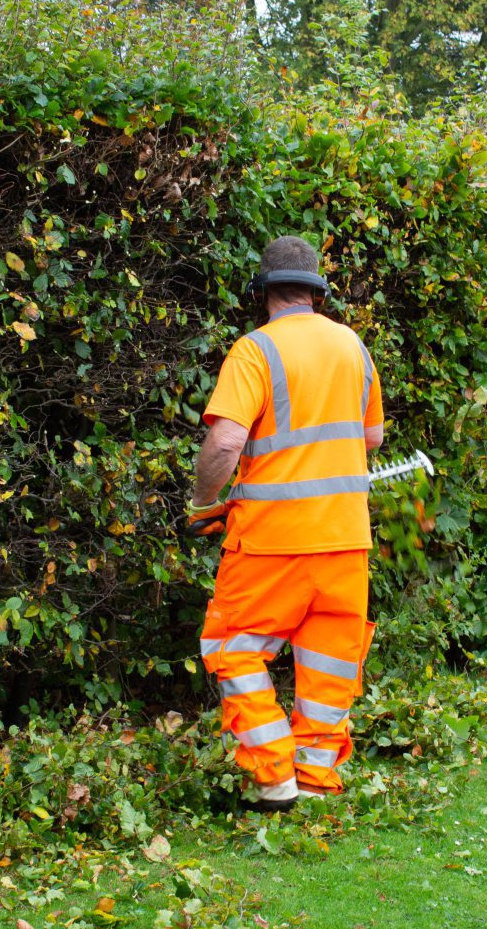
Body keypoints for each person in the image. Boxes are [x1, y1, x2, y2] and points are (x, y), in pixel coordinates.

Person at [183, 235, 385, 811]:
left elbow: (225, 441)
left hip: (274, 541)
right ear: (315, 293)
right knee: (329, 660)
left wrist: (203, 502)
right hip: (346, 540)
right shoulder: (354, 348)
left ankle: (273, 778)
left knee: (233, 647)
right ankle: (316, 777)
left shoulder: (256, 350)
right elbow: (371, 437)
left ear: (263, 292)